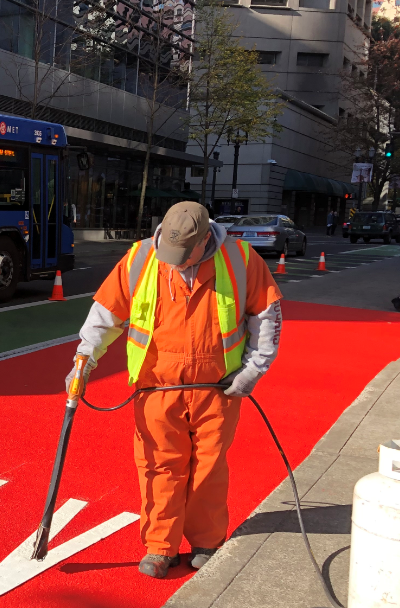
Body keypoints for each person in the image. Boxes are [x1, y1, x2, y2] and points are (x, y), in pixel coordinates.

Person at [68, 201, 283, 579]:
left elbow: (266, 318)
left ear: (204, 241)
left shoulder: (242, 259)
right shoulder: (141, 258)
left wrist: (252, 372)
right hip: (157, 387)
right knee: (158, 466)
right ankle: (160, 545)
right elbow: (105, 315)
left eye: (184, 255)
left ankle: (207, 539)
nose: (176, 262)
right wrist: (84, 361)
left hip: (218, 388)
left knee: (209, 467)